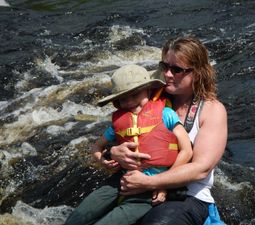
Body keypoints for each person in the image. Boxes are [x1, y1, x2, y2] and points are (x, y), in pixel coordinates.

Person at [105, 37, 228, 225]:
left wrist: (149, 183)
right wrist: (113, 152)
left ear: (198, 73)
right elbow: (112, 137)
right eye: (165, 66)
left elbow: (201, 169)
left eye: (177, 70)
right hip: (135, 186)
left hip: (186, 195)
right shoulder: (144, 99)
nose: (168, 74)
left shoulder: (212, 110)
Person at [64, 64, 193, 225]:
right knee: (76, 219)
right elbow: (96, 147)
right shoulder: (119, 122)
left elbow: (187, 151)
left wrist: (163, 183)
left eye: (135, 94)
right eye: (123, 98)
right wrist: (102, 160)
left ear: (148, 90)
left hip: (147, 191)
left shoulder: (166, 114)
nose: (130, 101)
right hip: (120, 181)